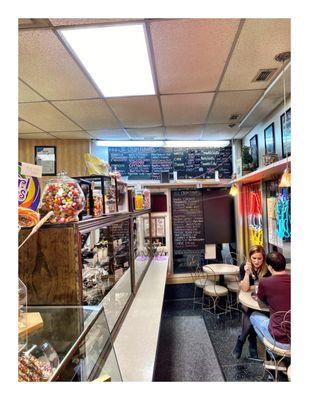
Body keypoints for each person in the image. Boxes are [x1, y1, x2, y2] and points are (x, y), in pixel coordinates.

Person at [233, 245, 270, 359]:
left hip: (263, 302)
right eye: (254, 258)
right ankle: (250, 341)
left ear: (263, 258)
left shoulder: (267, 268)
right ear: (250, 257)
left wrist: (252, 286)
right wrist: (247, 274)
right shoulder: (244, 266)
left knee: (250, 311)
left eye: (259, 258)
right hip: (248, 300)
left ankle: (243, 340)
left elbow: (266, 287)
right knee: (248, 309)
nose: (256, 261)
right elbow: (244, 288)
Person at [250, 252, 291, 350]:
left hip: (280, 339)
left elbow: (261, 303)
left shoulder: (265, 282)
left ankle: (271, 353)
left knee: (253, 316)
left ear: (270, 267)